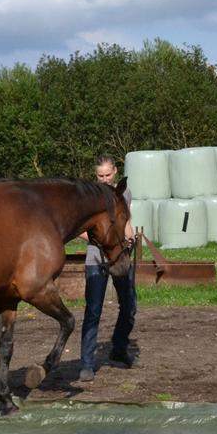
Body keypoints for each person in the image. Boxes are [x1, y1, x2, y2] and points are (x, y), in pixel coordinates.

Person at [78, 155, 137, 382]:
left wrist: (130, 239)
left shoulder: (124, 193)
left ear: (115, 171)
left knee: (129, 305)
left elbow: (125, 222)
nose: (104, 179)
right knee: (93, 310)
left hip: (120, 256)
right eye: (100, 176)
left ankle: (119, 348)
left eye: (108, 175)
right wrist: (103, 242)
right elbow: (80, 229)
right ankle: (87, 364)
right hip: (97, 257)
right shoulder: (89, 197)